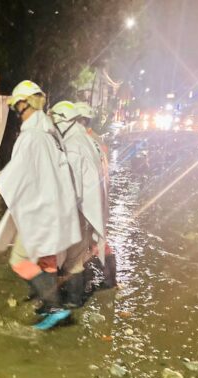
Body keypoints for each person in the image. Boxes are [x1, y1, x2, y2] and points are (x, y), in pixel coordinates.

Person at [0, 80, 82, 330]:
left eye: (17, 107)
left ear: (23, 105)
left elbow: (18, 171)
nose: (16, 112)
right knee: (47, 262)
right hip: (56, 209)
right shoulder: (50, 134)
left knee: (19, 261)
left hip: (42, 212)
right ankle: (49, 305)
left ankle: (56, 309)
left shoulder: (31, 136)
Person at [48, 100, 106, 306]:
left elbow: (72, 189)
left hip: (78, 211)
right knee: (76, 259)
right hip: (88, 209)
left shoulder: (73, 146)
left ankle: (70, 304)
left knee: (70, 263)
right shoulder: (84, 139)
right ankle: (72, 301)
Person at [74, 101, 117, 288]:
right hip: (100, 200)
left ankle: (79, 288)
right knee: (99, 241)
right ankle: (111, 283)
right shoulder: (98, 140)